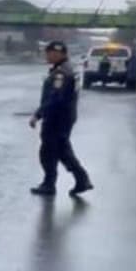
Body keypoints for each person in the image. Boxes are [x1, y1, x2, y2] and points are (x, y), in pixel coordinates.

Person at [29, 41, 94, 197]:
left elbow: (55, 98)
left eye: (49, 53)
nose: (47, 55)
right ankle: (81, 179)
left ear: (58, 53)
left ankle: (51, 184)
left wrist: (38, 114)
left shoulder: (61, 73)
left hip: (57, 118)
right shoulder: (65, 69)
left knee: (49, 151)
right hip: (63, 117)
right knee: (61, 150)